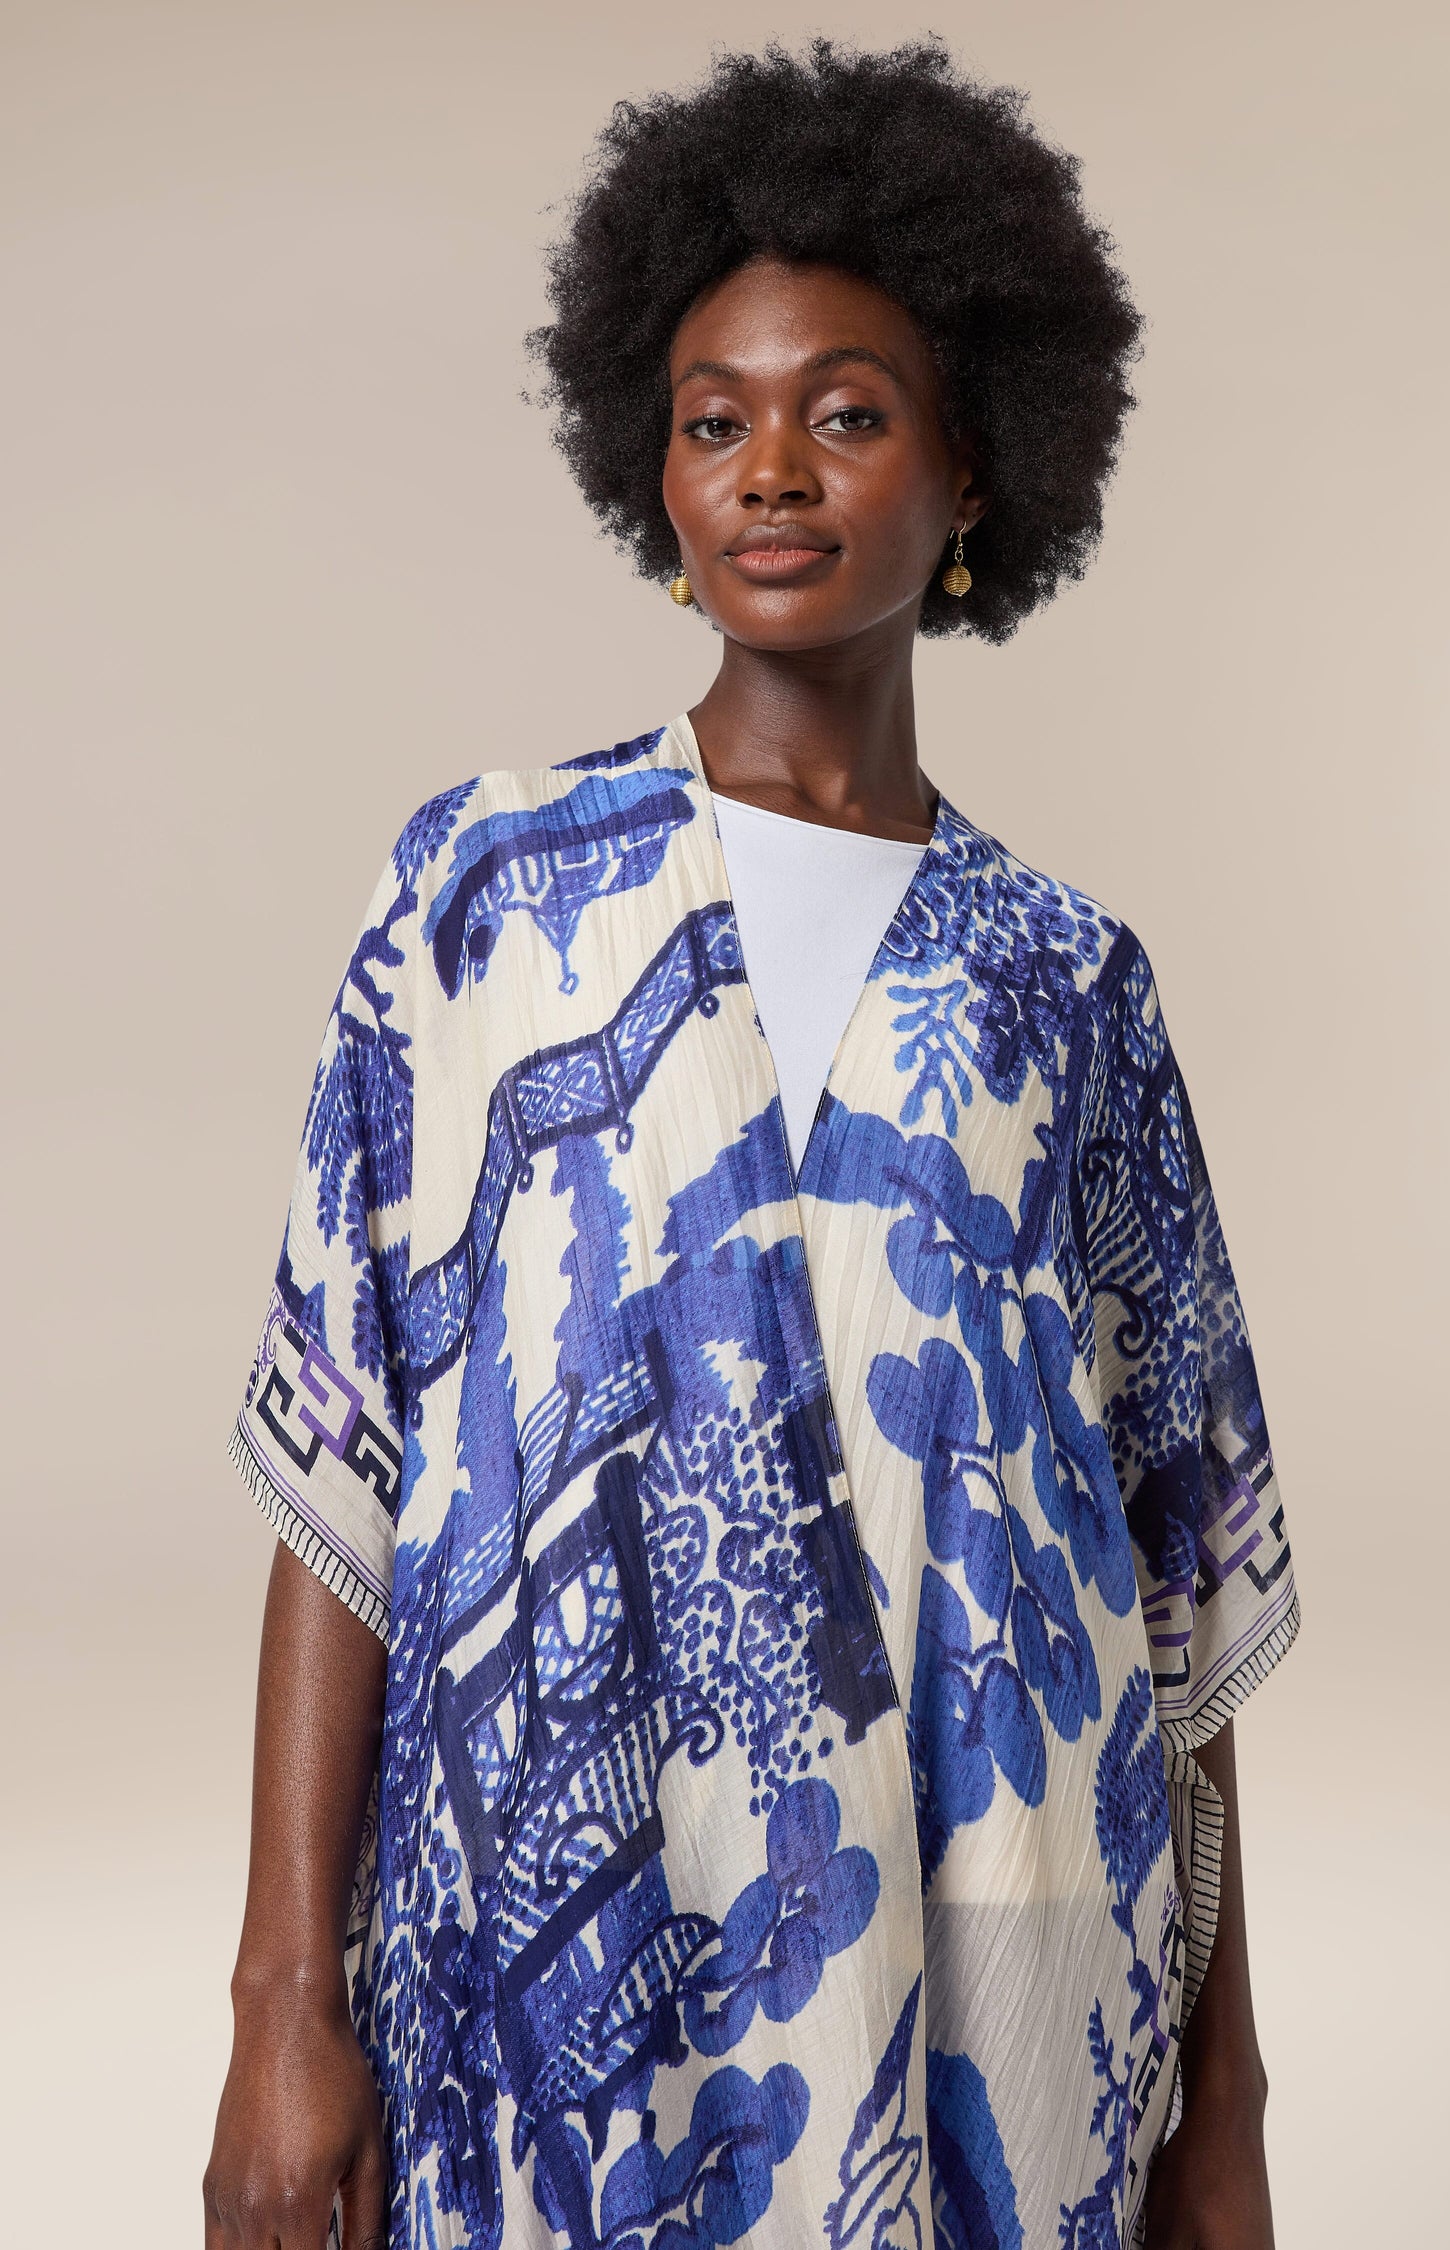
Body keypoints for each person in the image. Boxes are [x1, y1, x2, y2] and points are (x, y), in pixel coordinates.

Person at [204, 38, 1299, 2250]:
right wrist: (274, 2002)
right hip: (556, 1984)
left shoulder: (1066, 980)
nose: (773, 470)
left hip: (1012, 1968)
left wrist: (1227, 2098)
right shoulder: (487, 893)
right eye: (716, 419)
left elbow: (1175, 1587)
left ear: (975, 469)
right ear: (658, 470)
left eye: (849, 412)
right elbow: (348, 1482)